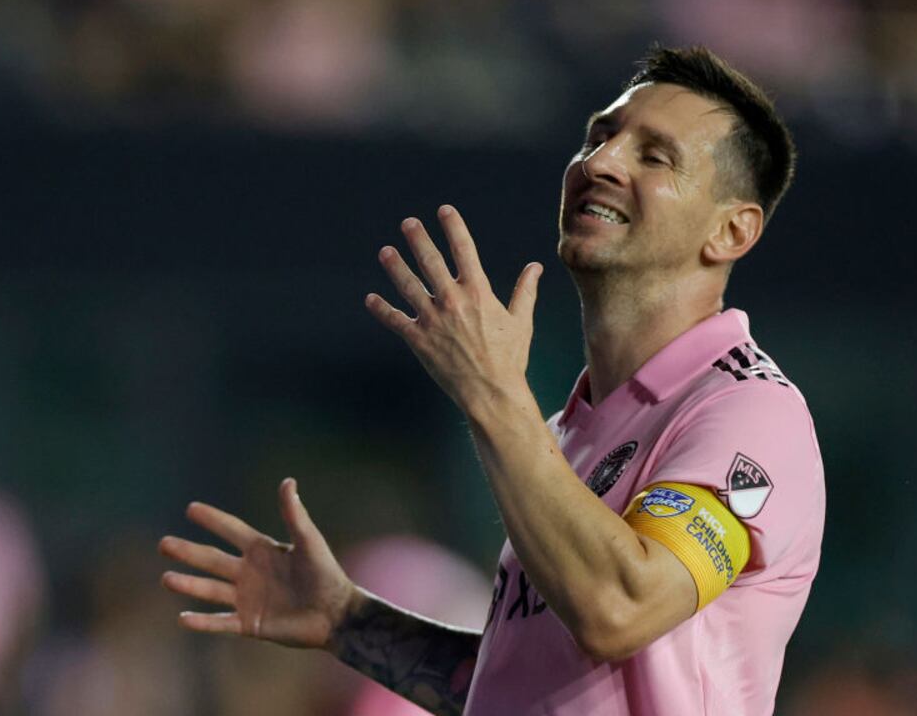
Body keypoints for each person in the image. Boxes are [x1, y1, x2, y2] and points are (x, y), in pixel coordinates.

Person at [160, 45, 824, 715]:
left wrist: (492, 391)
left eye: (654, 156)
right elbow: (524, 685)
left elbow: (621, 609)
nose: (599, 163)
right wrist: (347, 620)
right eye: (600, 136)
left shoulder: (749, 411)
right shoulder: (565, 433)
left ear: (731, 231)